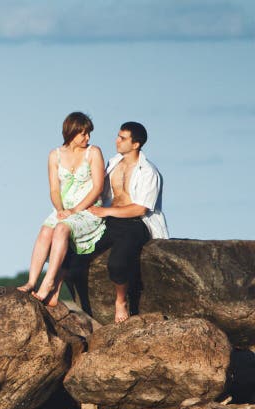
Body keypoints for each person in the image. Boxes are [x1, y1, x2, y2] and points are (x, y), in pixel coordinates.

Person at [70, 121, 169, 322]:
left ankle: (121, 302)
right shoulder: (113, 163)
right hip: (109, 221)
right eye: (118, 136)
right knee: (76, 252)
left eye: (122, 138)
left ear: (136, 144)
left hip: (136, 224)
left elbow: (140, 208)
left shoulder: (148, 171)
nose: (117, 140)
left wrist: (105, 211)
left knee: (116, 263)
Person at [17, 112, 106, 306]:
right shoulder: (54, 155)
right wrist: (59, 209)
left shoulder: (94, 152)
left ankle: (49, 282)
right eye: (83, 133)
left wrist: (75, 210)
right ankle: (32, 281)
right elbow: (54, 189)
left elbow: (98, 187)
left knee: (61, 229)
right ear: (71, 132)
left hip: (87, 209)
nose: (87, 138)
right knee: (45, 231)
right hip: (64, 209)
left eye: (88, 133)